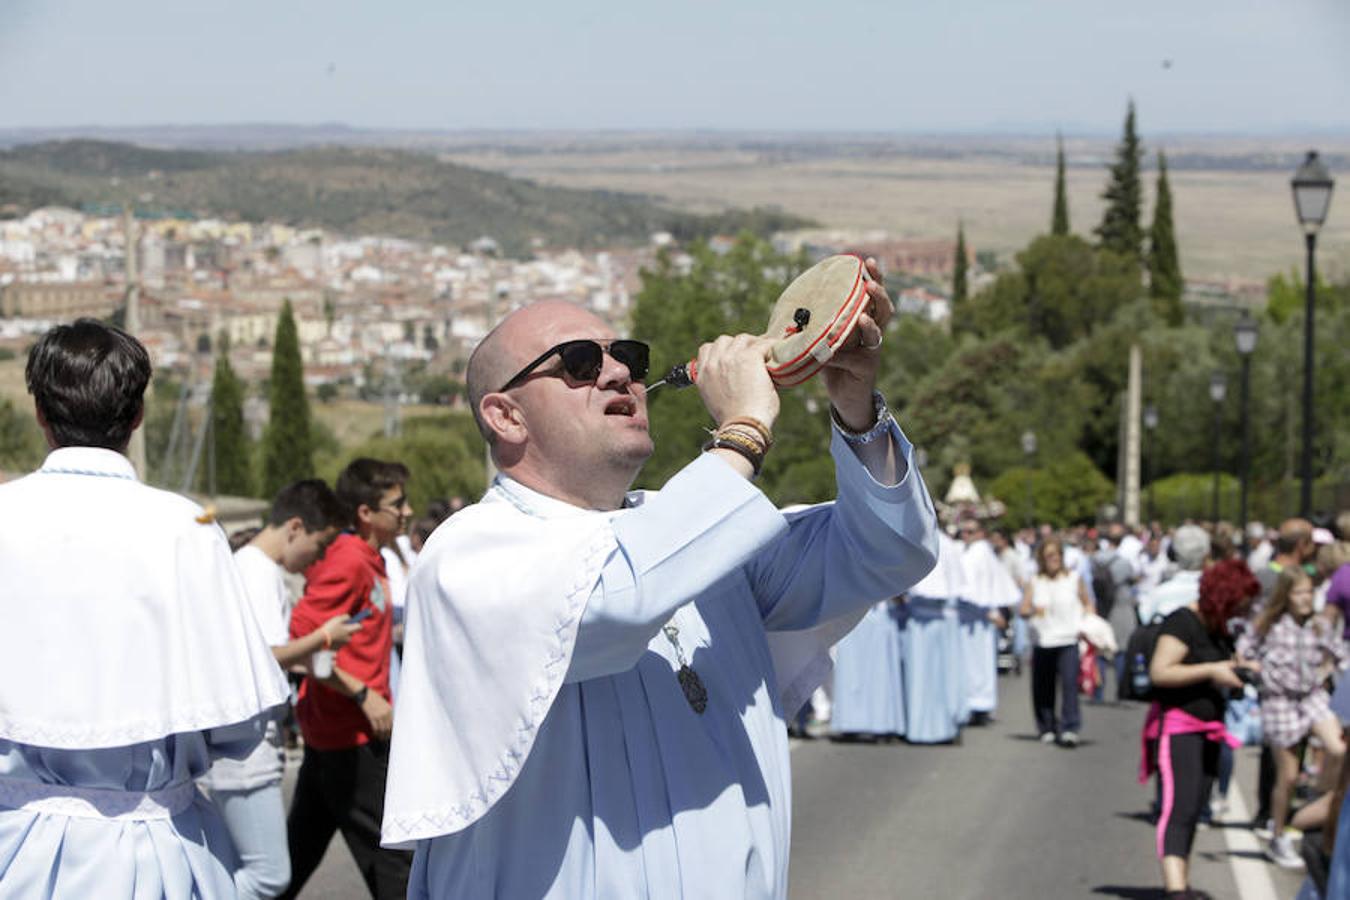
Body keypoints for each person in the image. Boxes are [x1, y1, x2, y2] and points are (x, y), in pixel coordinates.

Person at [382, 274, 940, 898]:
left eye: (629, 357)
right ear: (506, 415)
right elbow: (613, 602)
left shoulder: (699, 535)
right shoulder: (469, 552)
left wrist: (855, 404)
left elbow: (890, 551)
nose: (619, 373)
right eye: (580, 362)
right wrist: (744, 430)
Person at [0, 319, 289, 897]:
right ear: (135, 417)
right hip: (155, 849)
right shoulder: (186, 529)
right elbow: (237, 722)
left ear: (39, 413)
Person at [201, 479, 361, 899]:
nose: (320, 556)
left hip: (243, 746)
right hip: (246, 748)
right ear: (295, 527)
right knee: (267, 876)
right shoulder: (257, 571)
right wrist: (323, 638)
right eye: (321, 543)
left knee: (244, 867)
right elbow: (265, 656)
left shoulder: (250, 566)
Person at [281, 458, 415, 900]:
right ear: (365, 512)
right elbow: (303, 640)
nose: (406, 512)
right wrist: (364, 695)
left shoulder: (367, 557)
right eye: (397, 504)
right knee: (397, 864)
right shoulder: (348, 559)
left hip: (337, 740)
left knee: (289, 865)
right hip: (350, 739)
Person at [1144, 559, 1259, 899]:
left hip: (1210, 726)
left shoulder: (1218, 628)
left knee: (1195, 806)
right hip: (1178, 725)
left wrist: (1240, 668)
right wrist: (1211, 670)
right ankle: (1175, 889)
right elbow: (1161, 672)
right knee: (1178, 806)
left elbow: (1221, 664)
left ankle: (1182, 881)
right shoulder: (1182, 622)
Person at [1239, 568, 1348, 869]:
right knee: (1287, 775)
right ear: (1286, 595)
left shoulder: (1318, 626)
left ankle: (1318, 804)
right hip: (1280, 701)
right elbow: (1244, 651)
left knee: (1339, 749)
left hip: (1310, 696)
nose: (1305, 598)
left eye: (1308, 592)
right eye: (1298, 592)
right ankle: (1278, 833)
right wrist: (1254, 668)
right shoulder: (1269, 625)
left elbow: (1340, 654)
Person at [1019, 537, 1093, 746]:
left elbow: (1088, 604)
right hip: (1043, 641)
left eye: (1057, 555)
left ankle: (1070, 727)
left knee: (1070, 684)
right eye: (1049, 556)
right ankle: (1047, 726)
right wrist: (1034, 610)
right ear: (1042, 558)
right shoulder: (1035, 581)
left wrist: (1087, 623)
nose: (1054, 559)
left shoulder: (1074, 578)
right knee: (1043, 686)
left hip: (1068, 639)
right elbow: (1023, 609)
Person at [958, 518, 1021, 724]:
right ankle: (976, 703)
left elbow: (981, 587)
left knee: (978, 664)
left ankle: (977, 704)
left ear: (979, 533)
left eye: (969, 531)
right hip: (970, 619)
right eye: (963, 531)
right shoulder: (969, 552)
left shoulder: (978, 553)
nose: (965, 535)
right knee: (975, 663)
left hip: (978, 618)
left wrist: (992, 610)